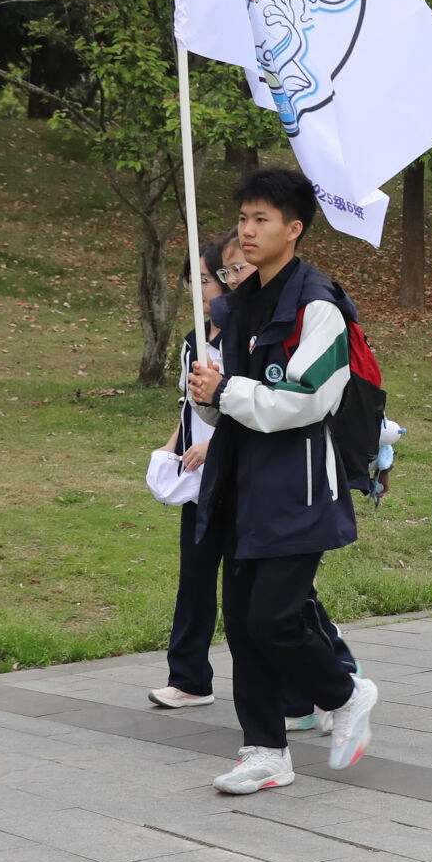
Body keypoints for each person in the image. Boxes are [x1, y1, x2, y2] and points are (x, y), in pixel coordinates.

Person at [187, 169, 380, 795]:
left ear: (294, 229)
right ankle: (264, 750)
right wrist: (206, 397)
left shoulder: (318, 306)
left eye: (261, 219)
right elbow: (229, 406)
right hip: (240, 484)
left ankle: (344, 693)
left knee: (272, 619)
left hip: (300, 489)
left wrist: (228, 392)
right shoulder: (239, 303)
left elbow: (306, 398)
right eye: (243, 218)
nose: (246, 231)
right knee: (243, 624)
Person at [151, 237, 244, 713]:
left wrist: (215, 444)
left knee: (258, 590)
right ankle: (189, 679)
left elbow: (251, 405)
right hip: (198, 483)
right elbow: (190, 404)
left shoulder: (246, 336)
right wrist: (173, 445)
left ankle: (328, 668)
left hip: (241, 476)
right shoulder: (194, 341)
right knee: (195, 578)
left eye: (205, 279)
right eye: (193, 279)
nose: (197, 288)